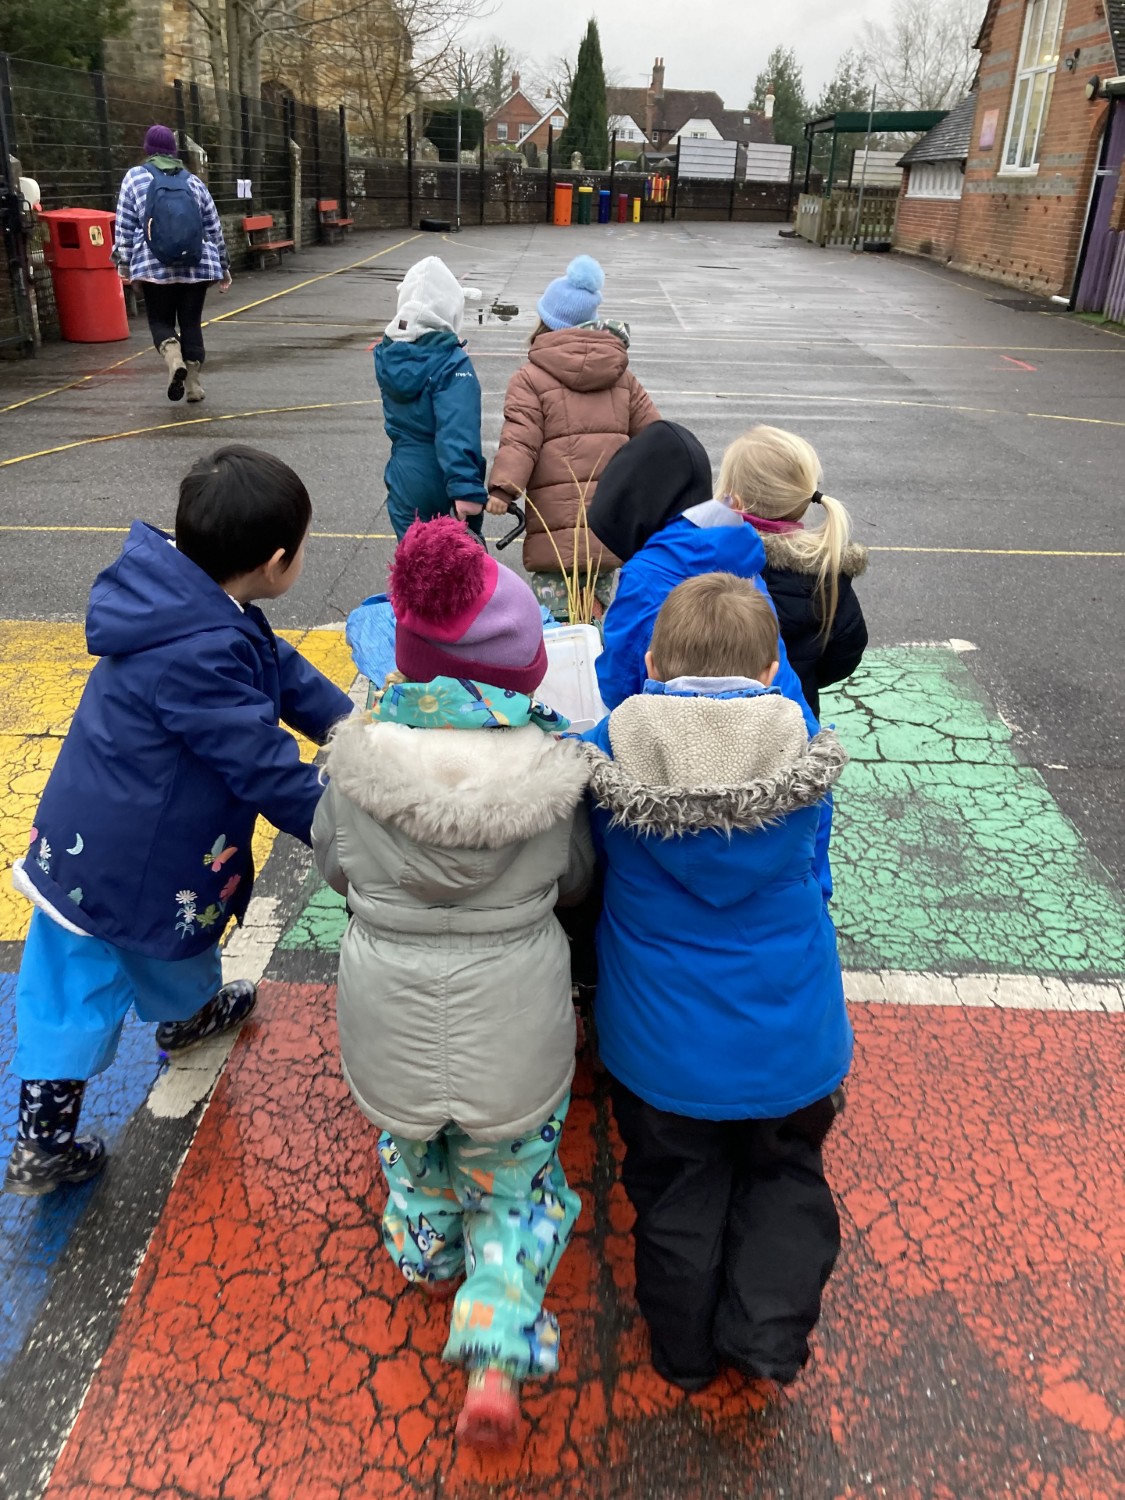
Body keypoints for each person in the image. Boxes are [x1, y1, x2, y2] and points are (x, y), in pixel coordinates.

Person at [4, 447, 353, 1197]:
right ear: (277, 560)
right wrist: (350, 833)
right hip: (146, 852)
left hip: (80, 843)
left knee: (69, 978)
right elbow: (260, 768)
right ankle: (177, 1024)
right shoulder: (199, 650)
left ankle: (42, 1136)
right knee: (157, 941)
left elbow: (276, 666)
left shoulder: (182, 597)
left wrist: (349, 723)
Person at [313, 516, 593, 1448]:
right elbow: (578, 881)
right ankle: (493, 1340)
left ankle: (426, 1247)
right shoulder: (554, 769)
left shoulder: (356, 763)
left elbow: (335, 870)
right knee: (517, 1183)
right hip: (513, 1015)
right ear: (521, 668)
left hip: (385, 1000)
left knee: (411, 1140)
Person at [582, 572, 851, 1393]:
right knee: (784, 1174)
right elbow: (818, 874)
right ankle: (766, 1332)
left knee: (674, 1189)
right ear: (773, 669)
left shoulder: (608, 746)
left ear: (652, 657)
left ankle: (683, 1353)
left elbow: (586, 871)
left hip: (659, 1044)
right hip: (791, 1034)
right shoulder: (802, 747)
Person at [587, 421, 817, 734]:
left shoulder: (646, 577)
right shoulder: (737, 548)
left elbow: (620, 686)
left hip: (695, 739)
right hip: (787, 728)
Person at [487, 255, 660, 621]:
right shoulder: (621, 376)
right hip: (609, 526)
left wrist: (503, 489)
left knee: (558, 628)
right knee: (596, 618)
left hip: (554, 535)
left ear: (547, 323)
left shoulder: (530, 378)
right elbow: (655, 437)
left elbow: (521, 439)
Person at [718, 426, 868, 717]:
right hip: (793, 715)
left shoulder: (708, 558)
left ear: (732, 497)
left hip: (713, 714)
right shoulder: (826, 573)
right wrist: (806, 675)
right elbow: (847, 650)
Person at [113, 124, 232, 405]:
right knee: (191, 322)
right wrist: (223, 265)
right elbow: (213, 227)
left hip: (154, 266)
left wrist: (125, 266)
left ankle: (173, 358)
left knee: (159, 320)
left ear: (147, 150)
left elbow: (124, 227)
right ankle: (194, 386)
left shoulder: (134, 179)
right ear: (174, 151)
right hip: (197, 265)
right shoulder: (193, 181)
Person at [374, 256, 488, 540]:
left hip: (403, 474)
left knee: (414, 567)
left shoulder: (388, 355)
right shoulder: (451, 362)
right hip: (440, 475)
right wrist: (465, 487)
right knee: (460, 571)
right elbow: (456, 427)